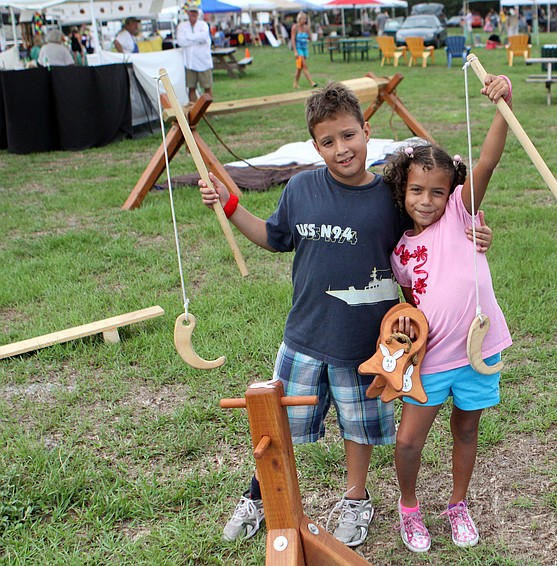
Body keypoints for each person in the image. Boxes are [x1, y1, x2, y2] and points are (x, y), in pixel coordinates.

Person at [197, 82, 493, 546]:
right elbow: (273, 237)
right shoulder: (300, 188)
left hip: (364, 342)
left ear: (367, 131)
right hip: (304, 335)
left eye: (349, 135)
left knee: (358, 429)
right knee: (280, 427)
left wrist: (475, 231)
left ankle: (356, 498)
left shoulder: (391, 199)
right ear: (314, 146)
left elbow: (433, 222)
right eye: (328, 141)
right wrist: (231, 204)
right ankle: (258, 494)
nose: (341, 149)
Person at [383, 74, 512, 554]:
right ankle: (409, 505)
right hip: (431, 357)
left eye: (437, 192)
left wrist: (504, 105)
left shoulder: (462, 212)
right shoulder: (397, 247)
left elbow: (488, 159)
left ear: (451, 192)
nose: (426, 201)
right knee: (409, 441)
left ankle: (458, 503)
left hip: (479, 349)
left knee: (467, 428)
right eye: (417, 190)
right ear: (403, 191)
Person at [177, 4, 213, 102]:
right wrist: (196, 38)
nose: (193, 14)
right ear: (188, 13)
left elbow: (204, 37)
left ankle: (209, 110)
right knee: (191, 88)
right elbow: (181, 42)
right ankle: (194, 111)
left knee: (207, 87)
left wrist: (188, 37)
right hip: (190, 63)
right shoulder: (182, 26)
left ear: (198, 14)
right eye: (191, 12)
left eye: (195, 12)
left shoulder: (203, 25)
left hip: (204, 62)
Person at [291, 12, 317, 89]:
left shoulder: (306, 27)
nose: (304, 21)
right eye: (303, 19)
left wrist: (309, 31)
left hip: (305, 48)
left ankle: (295, 83)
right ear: (299, 19)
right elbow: (292, 39)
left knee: (299, 67)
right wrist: (295, 51)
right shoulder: (295, 27)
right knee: (305, 66)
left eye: (305, 19)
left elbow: (310, 38)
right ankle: (312, 82)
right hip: (299, 49)